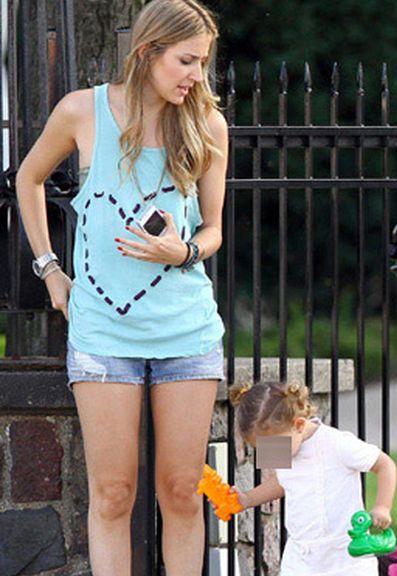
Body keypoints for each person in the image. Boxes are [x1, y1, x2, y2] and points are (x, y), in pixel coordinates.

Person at [15, 1, 226, 573]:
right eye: (187, 60)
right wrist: (50, 270)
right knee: (112, 496)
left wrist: (180, 250)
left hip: (187, 332)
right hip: (104, 334)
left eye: (203, 63)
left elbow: (213, 231)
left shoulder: (208, 124)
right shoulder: (82, 111)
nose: (196, 76)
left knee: (183, 491)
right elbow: (29, 179)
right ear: (148, 51)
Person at [227, 381, 397, 576]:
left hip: (346, 559)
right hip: (301, 560)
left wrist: (382, 507)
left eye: (271, 446)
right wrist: (248, 499)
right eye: (261, 449)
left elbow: (385, 465)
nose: (268, 454)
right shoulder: (286, 445)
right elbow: (284, 482)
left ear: (298, 424)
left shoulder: (337, 444)